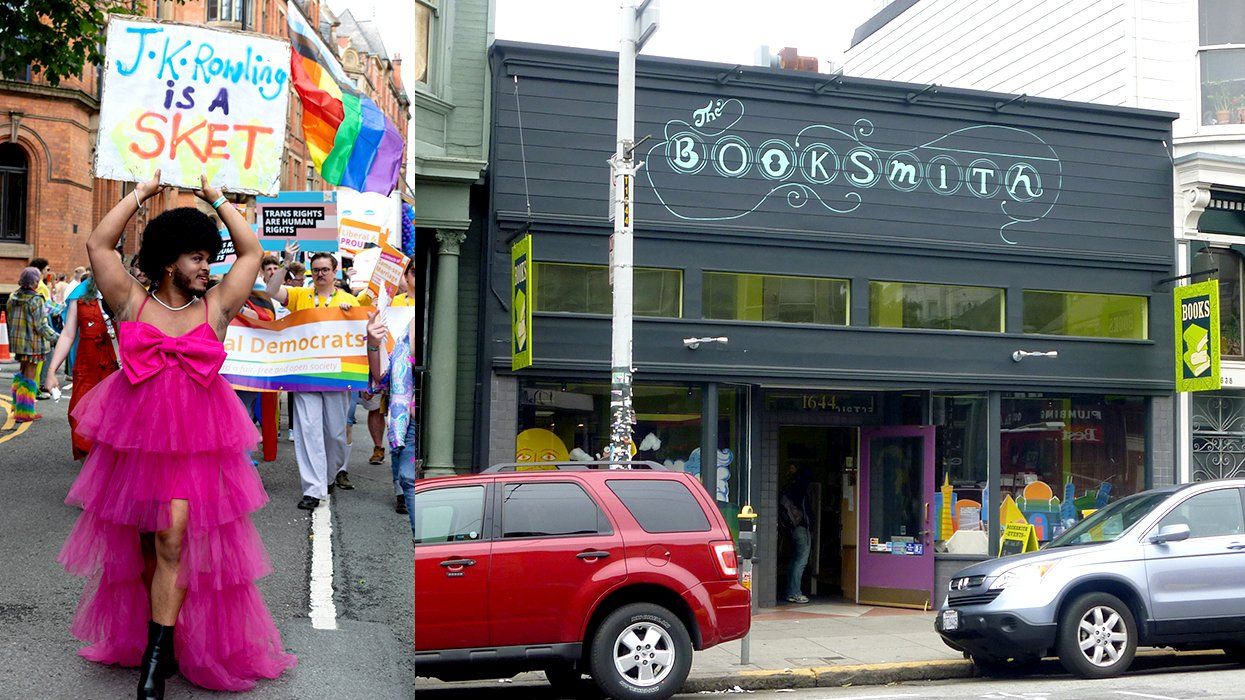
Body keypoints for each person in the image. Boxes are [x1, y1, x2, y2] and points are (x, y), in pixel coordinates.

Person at [58, 170, 296, 697]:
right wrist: (140, 193)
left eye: (209, 257)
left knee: (171, 539)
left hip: (196, 444)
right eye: (197, 258)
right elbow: (99, 243)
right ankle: (160, 639)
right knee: (143, 543)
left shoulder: (216, 310)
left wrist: (215, 197)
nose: (208, 267)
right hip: (136, 445)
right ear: (169, 261)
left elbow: (251, 253)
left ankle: (154, 663)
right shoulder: (130, 302)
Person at [266, 250, 359, 509]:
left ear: (334, 271)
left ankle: (328, 476)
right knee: (308, 431)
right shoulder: (300, 295)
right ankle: (313, 489)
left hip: (337, 377)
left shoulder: (349, 299)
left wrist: (350, 314)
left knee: (335, 434)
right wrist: (284, 264)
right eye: (316, 270)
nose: (320, 274)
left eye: (325, 270)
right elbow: (272, 290)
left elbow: (361, 333)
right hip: (306, 375)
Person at [45, 265, 121, 460]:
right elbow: (68, 334)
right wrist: (52, 370)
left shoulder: (126, 293)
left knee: (115, 424)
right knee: (80, 420)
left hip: (118, 371)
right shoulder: (80, 296)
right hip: (87, 369)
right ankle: (92, 471)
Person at [365, 292, 418, 528]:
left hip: (439, 423)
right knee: (408, 478)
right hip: (409, 422)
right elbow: (381, 378)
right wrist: (373, 344)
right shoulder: (402, 342)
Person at [6, 267, 58, 422]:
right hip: (33, 344)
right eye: (38, 280)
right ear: (34, 282)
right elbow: (41, 326)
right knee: (29, 377)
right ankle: (24, 413)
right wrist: (56, 337)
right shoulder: (36, 300)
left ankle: (18, 406)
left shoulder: (13, 297)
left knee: (22, 374)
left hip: (18, 343)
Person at [780, 464, 815, 604]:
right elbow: (805, 481)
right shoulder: (799, 487)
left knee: (795, 560)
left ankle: (790, 592)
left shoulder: (788, 487)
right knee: (801, 561)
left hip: (793, 528)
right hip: (801, 528)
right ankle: (795, 592)